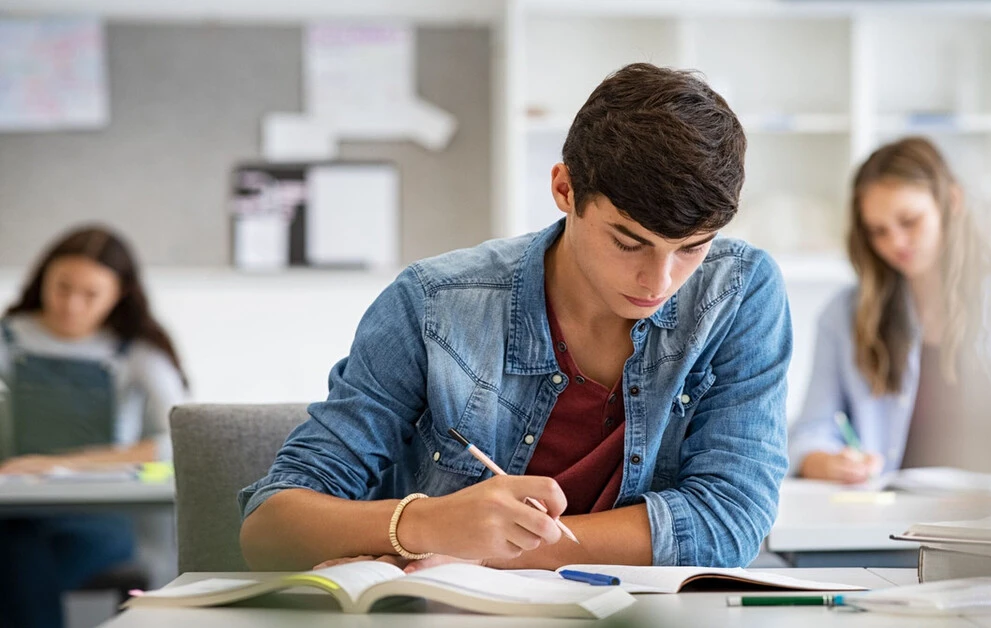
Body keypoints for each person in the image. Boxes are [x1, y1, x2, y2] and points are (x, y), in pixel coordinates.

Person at [238, 63, 792, 572]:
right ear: (564, 188)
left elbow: (728, 523)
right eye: (629, 242)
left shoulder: (739, 292)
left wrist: (485, 557)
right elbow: (270, 528)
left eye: (692, 248)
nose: (660, 280)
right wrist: (430, 523)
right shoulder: (433, 304)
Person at [789, 137, 991, 485]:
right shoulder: (844, 314)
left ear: (952, 201)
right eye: (878, 231)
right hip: (887, 529)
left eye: (909, 221)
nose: (895, 243)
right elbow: (809, 436)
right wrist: (831, 464)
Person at [0, 226, 188, 628]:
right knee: (17, 545)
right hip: (15, 510)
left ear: (119, 294)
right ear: (41, 279)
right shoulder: (8, 338)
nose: (71, 305)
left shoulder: (135, 351)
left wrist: (60, 464)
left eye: (90, 294)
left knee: (17, 558)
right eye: (62, 287)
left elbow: (181, 436)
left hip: (101, 519)